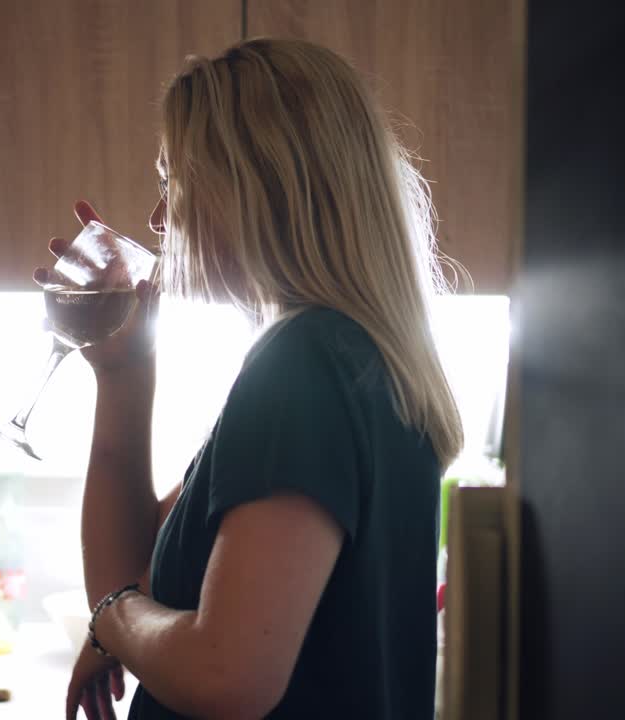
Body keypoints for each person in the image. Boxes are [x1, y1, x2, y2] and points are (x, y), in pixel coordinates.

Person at [51, 38, 465, 720]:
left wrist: (114, 621)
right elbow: (134, 577)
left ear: (254, 183)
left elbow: (226, 675)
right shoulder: (345, 358)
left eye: (170, 181)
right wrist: (122, 372)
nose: (159, 219)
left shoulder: (303, 367)